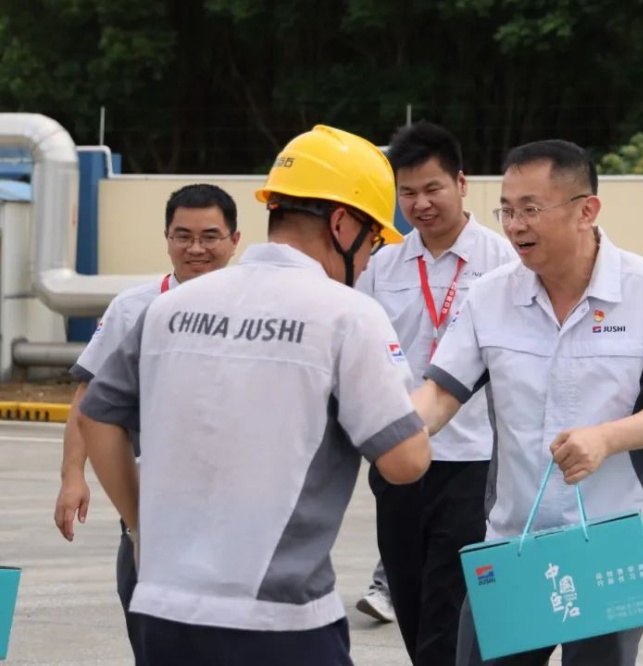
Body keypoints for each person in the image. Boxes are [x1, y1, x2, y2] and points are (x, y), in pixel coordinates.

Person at [76, 124, 433, 666]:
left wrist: (142, 525)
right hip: (278, 620)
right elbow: (405, 462)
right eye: (374, 242)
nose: (369, 261)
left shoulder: (170, 307)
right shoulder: (348, 315)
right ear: (342, 223)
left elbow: (96, 416)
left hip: (161, 610)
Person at [410, 139, 643, 666]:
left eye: (531, 209)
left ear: (586, 211)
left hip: (612, 545)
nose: (515, 226)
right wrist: (393, 432)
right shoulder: (490, 296)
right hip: (514, 544)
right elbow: (440, 391)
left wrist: (606, 438)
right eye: (506, 210)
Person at [53, 183, 242, 664]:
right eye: (183, 236)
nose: (196, 248)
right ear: (166, 238)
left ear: (235, 240)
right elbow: (88, 398)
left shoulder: (259, 310)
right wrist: (73, 477)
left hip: (240, 508)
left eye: (210, 236)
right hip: (152, 506)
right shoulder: (133, 308)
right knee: (155, 641)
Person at [354, 121, 518, 661]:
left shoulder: (505, 263)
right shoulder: (382, 265)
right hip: (399, 457)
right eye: (407, 193)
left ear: (461, 183)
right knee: (407, 592)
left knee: (450, 604)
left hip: (474, 462)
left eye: (432, 189)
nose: (420, 204)